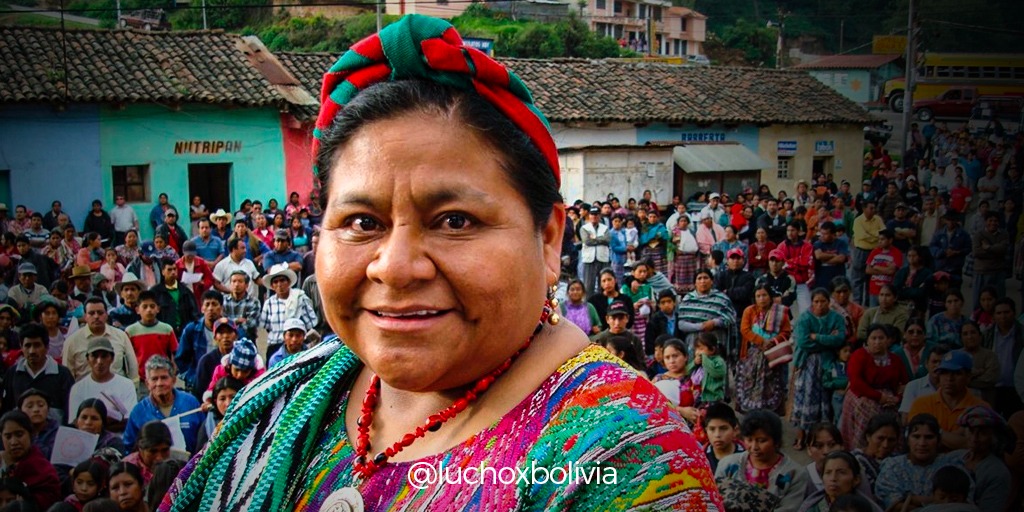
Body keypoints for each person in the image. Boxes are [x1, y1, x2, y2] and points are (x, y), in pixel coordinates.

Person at [161, 17, 722, 510]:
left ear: (549, 239)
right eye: (362, 223)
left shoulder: (626, 460)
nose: (396, 268)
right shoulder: (291, 395)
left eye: (454, 220)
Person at [716, 409, 809, 512]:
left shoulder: (794, 474)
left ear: (776, 441)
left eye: (761, 441)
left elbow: (788, 508)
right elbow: (714, 500)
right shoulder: (727, 465)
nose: (754, 447)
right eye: (749, 440)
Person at [792, 288, 846, 449]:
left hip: (828, 364)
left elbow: (840, 339)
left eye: (823, 301)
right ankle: (802, 436)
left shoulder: (836, 318)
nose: (820, 305)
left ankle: (824, 439)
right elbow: (803, 342)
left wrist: (817, 337)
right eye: (816, 301)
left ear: (829, 302)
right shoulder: (804, 319)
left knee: (826, 399)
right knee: (805, 398)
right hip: (806, 364)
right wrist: (828, 339)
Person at [875, 413, 964, 510]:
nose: (922, 443)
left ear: (938, 440)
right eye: (916, 437)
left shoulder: (952, 465)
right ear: (908, 440)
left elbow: (962, 501)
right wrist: (933, 502)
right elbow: (893, 505)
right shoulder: (892, 467)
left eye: (929, 437)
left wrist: (914, 499)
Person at [841, 324, 908, 451]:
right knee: (868, 412)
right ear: (867, 340)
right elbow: (856, 382)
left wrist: (897, 398)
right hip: (862, 395)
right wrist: (879, 397)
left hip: (889, 398)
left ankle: (891, 451)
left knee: (896, 418)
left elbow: (903, 383)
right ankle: (862, 451)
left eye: (881, 338)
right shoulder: (859, 355)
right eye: (873, 338)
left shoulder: (895, 360)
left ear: (888, 340)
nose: (877, 342)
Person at [908, 350, 989, 451]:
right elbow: (919, 443)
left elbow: (973, 444)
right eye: (944, 373)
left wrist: (934, 432)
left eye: (957, 373)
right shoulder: (921, 404)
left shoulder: (980, 408)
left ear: (968, 376)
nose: (949, 378)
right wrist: (957, 436)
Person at [123, 356, 204, 455]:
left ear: (173, 380)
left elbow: (204, 439)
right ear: (147, 383)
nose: (159, 383)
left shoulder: (191, 403)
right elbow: (129, 448)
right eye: (154, 379)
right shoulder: (139, 411)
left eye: (164, 378)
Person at [1, 323, 74, 420]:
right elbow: (7, 409)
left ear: (47, 347)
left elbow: (69, 411)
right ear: (21, 347)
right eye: (27, 345)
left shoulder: (62, 374)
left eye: (37, 345)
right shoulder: (12, 373)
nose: (32, 351)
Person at [737, 285, 791, 414]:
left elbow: (786, 331)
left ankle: (770, 414)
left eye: (764, 295)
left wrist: (772, 342)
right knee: (750, 383)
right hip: (753, 355)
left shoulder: (781, 312)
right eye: (758, 296)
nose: (761, 299)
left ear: (770, 297)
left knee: (772, 385)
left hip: (773, 355)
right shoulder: (749, 311)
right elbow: (744, 330)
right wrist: (761, 341)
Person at [68, 338, 138, 432]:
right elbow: (75, 422)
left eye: (104, 356)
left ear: (112, 358)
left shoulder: (126, 384)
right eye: (95, 356)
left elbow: (130, 420)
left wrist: (98, 427)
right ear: (88, 359)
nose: (99, 362)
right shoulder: (78, 388)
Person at [950, 405, 1011, 511]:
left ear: (993, 437)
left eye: (982, 433)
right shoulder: (953, 457)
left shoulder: (997, 472)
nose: (974, 438)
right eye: (971, 431)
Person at [0, 410, 61, 510]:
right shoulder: (1, 461)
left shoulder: (42, 468)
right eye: (8, 436)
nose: (14, 442)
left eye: (19, 434)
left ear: (31, 434)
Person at [677, 269, 739, 363]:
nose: (703, 281)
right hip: (694, 342)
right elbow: (681, 324)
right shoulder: (687, 299)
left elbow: (731, 317)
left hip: (716, 340)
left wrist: (714, 322)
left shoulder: (721, 298)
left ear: (711, 281)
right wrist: (701, 326)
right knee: (695, 372)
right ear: (695, 283)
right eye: (699, 278)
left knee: (715, 369)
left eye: (706, 278)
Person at [257, 263, 316, 361]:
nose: (279, 284)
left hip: (297, 346)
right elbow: (266, 326)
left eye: (282, 280)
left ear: (288, 282)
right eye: (275, 282)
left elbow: (310, 323)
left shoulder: (300, 298)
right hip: (275, 345)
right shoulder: (269, 303)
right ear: (272, 285)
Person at [798, 451, 882, 512]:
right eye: (828, 472)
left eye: (841, 472)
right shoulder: (813, 509)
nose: (833, 478)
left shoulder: (866, 509)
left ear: (856, 479)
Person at [173, 291, 224, 391]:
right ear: (202, 308)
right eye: (207, 304)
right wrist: (192, 378)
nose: (210, 308)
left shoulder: (230, 330)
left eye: (214, 304)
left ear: (221, 308)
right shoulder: (191, 330)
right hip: (199, 382)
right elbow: (181, 359)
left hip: (223, 381)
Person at [124, 291, 179, 382]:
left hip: (162, 377)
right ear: (137, 310)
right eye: (145, 307)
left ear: (158, 309)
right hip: (140, 379)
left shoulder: (166, 329)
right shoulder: (130, 331)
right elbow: (127, 357)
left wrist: (173, 371)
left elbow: (175, 353)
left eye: (152, 306)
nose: (149, 310)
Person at [851, 412, 900, 497]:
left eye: (891, 440)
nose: (885, 445)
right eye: (880, 438)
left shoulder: (898, 462)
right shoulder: (855, 461)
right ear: (868, 437)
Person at [202, 338, 265, 404]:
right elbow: (212, 389)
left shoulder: (258, 377)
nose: (239, 375)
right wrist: (208, 401)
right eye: (236, 370)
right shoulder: (220, 371)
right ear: (230, 365)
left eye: (245, 371)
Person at [149, 260, 199, 336]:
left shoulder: (185, 291)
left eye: (175, 269)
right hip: (163, 334)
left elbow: (194, 314)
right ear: (163, 272)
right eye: (169, 269)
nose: (173, 272)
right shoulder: (155, 292)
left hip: (184, 333)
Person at [850, 200, 884, 304]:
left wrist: (870, 234)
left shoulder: (878, 219)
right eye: (871, 208)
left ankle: (869, 304)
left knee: (871, 279)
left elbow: (883, 234)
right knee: (858, 279)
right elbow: (861, 235)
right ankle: (857, 303)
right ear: (864, 209)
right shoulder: (858, 220)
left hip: (875, 252)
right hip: (861, 251)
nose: (873, 210)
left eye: (874, 208)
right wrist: (876, 236)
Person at [195, 377, 243, 449]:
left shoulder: (253, 422)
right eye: (222, 399)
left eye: (233, 397)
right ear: (215, 401)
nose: (228, 403)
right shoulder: (207, 427)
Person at [959, 321, 999, 403]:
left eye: (973, 332)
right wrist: (978, 372)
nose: (969, 337)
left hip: (985, 403)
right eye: (965, 334)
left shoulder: (990, 355)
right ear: (961, 338)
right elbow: (952, 380)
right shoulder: (956, 356)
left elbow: (990, 379)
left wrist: (964, 381)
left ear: (980, 335)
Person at [123, 421, 172, 486]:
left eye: (164, 450)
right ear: (140, 449)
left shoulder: (177, 464)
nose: (159, 458)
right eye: (153, 451)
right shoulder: (126, 469)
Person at [864, 229, 903, 307]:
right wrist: (886, 269)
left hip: (888, 291)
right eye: (879, 239)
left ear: (890, 240)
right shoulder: (874, 252)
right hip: (874, 289)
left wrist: (876, 267)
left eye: (882, 239)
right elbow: (868, 270)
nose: (880, 241)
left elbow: (892, 271)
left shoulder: (897, 253)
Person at [702, 402, 744, 473]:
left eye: (723, 428)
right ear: (706, 431)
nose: (717, 435)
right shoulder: (701, 458)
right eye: (712, 429)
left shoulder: (747, 457)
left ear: (735, 430)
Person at [893, 246, 933, 316]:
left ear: (919, 257)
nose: (911, 258)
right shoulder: (901, 272)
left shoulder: (927, 273)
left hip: (919, 307)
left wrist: (905, 289)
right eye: (909, 256)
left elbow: (922, 292)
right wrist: (914, 290)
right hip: (901, 305)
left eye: (914, 256)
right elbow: (896, 290)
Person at [220, 270, 260, 341]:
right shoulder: (223, 300)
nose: (236, 284)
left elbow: (251, 324)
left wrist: (229, 322)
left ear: (247, 285)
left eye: (240, 281)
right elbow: (220, 322)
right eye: (234, 281)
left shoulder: (254, 302)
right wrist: (238, 321)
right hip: (225, 338)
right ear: (230, 284)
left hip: (247, 339)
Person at [578, 206, 610, 294]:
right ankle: (588, 306)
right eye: (592, 214)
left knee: (603, 285)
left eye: (596, 214)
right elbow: (587, 241)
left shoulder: (605, 228)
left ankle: (601, 305)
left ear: (599, 216)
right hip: (589, 259)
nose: (594, 216)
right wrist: (600, 239)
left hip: (602, 258)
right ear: (589, 215)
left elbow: (607, 240)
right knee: (588, 286)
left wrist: (594, 238)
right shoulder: (584, 228)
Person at [715, 248, 755, 316]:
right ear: (727, 261)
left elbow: (745, 293)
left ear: (743, 261)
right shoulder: (720, 275)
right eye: (732, 258)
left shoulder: (749, 276)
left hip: (742, 313)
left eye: (738, 258)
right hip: (722, 312)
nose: (735, 261)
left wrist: (727, 292)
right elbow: (716, 293)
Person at [830, 277, 864, 346]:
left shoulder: (858, 310)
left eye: (845, 291)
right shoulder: (826, 309)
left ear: (850, 291)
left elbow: (860, 332)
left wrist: (848, 343)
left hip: (851, 345)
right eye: (838, 292)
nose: (842, 295)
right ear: (832, 293)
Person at [670, 215, 699, 291]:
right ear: (678, 223)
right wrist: (675, 249)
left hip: (691, 258)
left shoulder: (692, 232)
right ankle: (681, 290)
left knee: (691, 275)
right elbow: (670, 244)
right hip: (680, 258)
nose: (683, 223)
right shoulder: (675, 232)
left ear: (688, 222)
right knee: (680, 275)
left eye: (685, 221)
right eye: (681, 221)